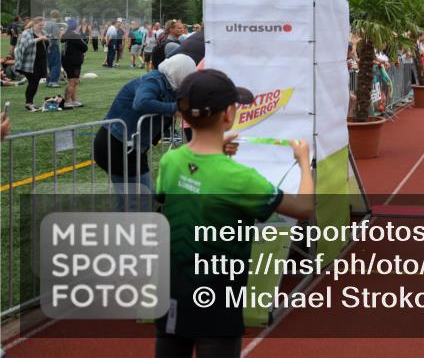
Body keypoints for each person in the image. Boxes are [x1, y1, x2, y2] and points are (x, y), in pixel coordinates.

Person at [155, 68, 314, 358]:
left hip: (172, 291)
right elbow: (304, 208)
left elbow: (178, 190)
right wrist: (304, 161)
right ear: (228, 114)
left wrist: (216, 154)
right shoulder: (240, 178)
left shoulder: (170, 160)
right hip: (216, 299)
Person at [94, 54, 197, 210]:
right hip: (115, 145)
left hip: (132, 148)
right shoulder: (154, 80)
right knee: (134, 201)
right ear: (179, 72)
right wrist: (174, 109)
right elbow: (141, 102)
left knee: (147, 197)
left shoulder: (171, 85)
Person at [14, 17, 49, 111]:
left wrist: (46, 40)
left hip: (40, 62)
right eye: (39, 25)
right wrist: (39, 39)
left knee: (36, 82)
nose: (41, 27)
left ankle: (30, 103)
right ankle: (28, 103)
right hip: (29, 63)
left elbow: (46, 45)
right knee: (33, 82)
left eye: (43, 25)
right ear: (34, 24)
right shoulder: (27, 33)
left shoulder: (43, 32)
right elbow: (24, 44)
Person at [60, 18, 88, 108]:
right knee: (73, 81)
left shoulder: (65, 35)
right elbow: (84, 47)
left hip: (66, 60)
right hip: (74, 62)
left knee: (73, 81)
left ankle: (74, 100)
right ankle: (67, 101)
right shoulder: (74, 35)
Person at [43, 9, 64, 87]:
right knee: (55, 64)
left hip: (45, 45)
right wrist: (61, 32)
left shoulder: (45, 23)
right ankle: (54, 81)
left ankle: (48, 80)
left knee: (48, 64)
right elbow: (56, 36)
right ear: (57, 16)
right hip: (53, 45)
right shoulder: (55, 24)